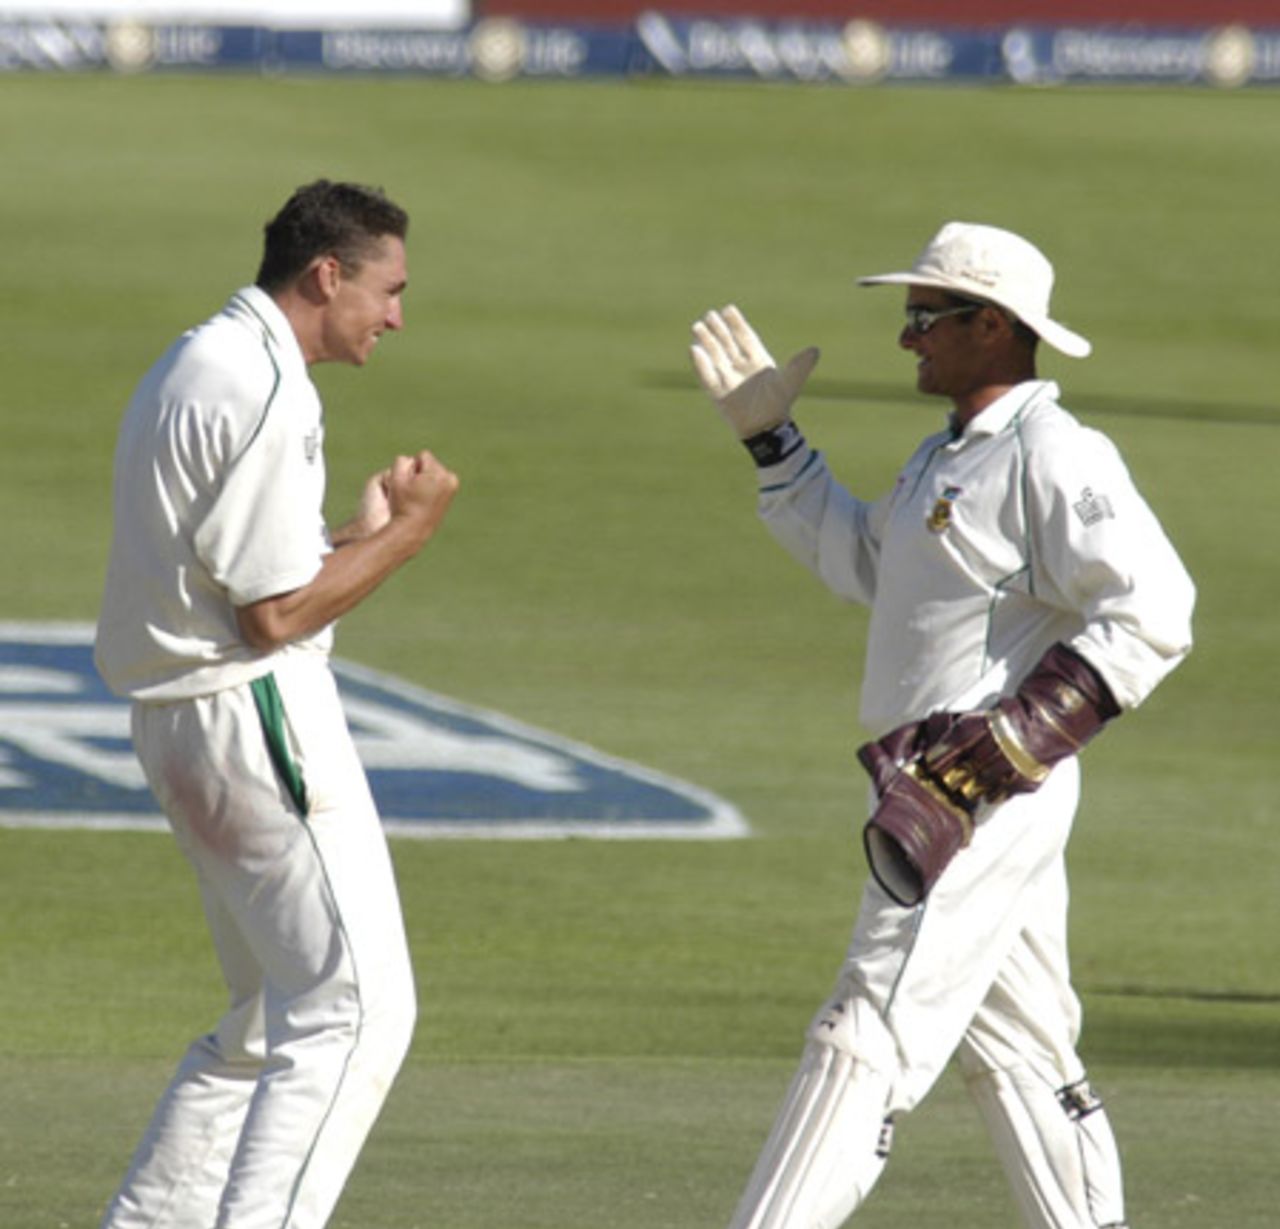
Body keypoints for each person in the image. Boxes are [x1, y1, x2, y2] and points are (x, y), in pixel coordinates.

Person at [690, 221, 1194, 1229]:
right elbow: (867, 566)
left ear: (994, 326)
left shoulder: (1054, 452)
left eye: (925, 317)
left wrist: (1006, 748)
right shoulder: (946, 456)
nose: (905, 336)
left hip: (973, 797)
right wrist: (771, 440)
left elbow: (1153, 608)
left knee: (861, 1027)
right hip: (931, 785)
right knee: (1020, 1048)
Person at [94, 179, 459, 1229]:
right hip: (248, 718)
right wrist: (408, 535)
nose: (395, 316)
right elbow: (269, 617)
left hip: (185, 722)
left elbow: (243, 575)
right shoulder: (263, 385)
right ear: (325, 274)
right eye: (386, 290)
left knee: (268, 1016)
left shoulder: (200, 356)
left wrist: (351, 534)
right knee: (354, 1010)